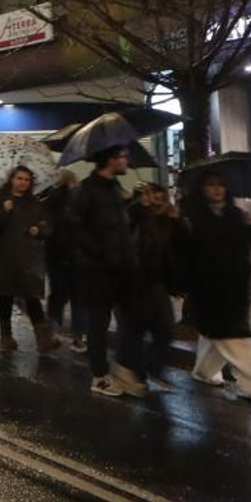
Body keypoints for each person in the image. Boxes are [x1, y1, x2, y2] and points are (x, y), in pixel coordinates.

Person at [185, 173, 251, 402]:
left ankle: (204, 371)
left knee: (218, 333)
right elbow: (186, 251)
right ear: (202, 189)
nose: (217, 189)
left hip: (237, 284)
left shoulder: (237, 215)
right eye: (211, 184)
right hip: (208, 285)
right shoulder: (193, 217)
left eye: (221, 185)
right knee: (231, 334)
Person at [71, 146, 147, 398]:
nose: (127, 161)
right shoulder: (86, 190)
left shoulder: (115, 188)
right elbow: (75, 227)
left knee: (134, 319)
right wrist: (100, 252)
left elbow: (121, 228)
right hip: (97, 270)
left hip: (123, 268)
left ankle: (125, 370)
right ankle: (100, 376)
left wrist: (137, 207)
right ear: (110, 159)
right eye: (123, 156)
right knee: (99, 324)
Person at [0, 166, 61, 353]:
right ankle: (6, 337)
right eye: (19, 178)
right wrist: (4, 211)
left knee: (31, 296)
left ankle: (43, 340)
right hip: (4, 257)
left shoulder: (34, 202)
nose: (23, 182)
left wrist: (39, 230)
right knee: (6, 295)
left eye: (26, 179)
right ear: (11, 179)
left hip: (28, 258)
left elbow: (48, 226)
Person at [126, 183, 184, 384]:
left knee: (166, 329)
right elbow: (126, 226)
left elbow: (181, 245)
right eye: (153, 196)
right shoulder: (136, 213)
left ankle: (151, 366)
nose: (157, 201)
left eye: (161, 197)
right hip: (136, 281)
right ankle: (135, 370)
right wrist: (139, 206)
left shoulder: (167, 218)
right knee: (137, 328)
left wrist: (177, 222)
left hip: (158, 282)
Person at [42, 170, 84, 353]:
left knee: (58, 294)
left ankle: (55, 330)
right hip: (73, 253)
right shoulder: (75, 198)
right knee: (77, 297)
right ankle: (78, 338)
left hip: (56, 253)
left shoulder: (50, 197)